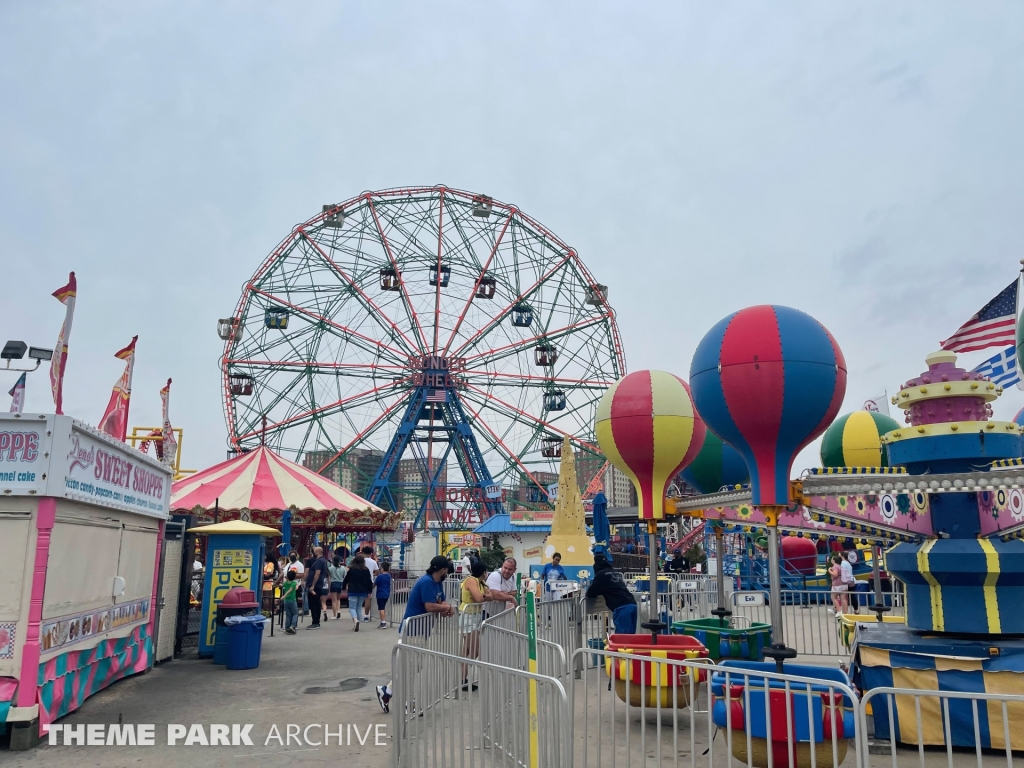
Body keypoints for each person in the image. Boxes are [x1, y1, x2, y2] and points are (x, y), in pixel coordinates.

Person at [376, 556, 456, 714]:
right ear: (442, 570)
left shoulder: (438, 582)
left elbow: (440, 602)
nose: (447, 572)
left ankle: (387, 691)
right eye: (447, 569)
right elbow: (430, 606)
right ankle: (409, 702)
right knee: (411, 668)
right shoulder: (426, 582)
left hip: (423, 631)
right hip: (413, 631)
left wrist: (446, 608)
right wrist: (446, 607)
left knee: (414, 666)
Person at [459, 559, 490, 691]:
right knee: (474, 651)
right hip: (469, 617)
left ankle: (463, 678)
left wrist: (485, 595)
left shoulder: (481, 582)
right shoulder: (471, 580)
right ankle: (462, 680)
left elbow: (490, 595)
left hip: (475, 617)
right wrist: (485, 596)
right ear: (483, 572)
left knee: (467, 650)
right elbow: (479, 598)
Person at [586, 554, 637, 633]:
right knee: (630, 637)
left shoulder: (601, 574)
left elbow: (592, 592)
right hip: (632, 604)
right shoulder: (615, 572)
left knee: (622, 639)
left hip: (621, 607)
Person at [342, 554, 374, 632]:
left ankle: (356, 621)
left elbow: (346, 579)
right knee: (359, 607)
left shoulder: (352, 569)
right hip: (363, 591)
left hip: (353, 590)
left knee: (352, 608)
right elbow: (369, 581)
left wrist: (343, 587)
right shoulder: (366, 570)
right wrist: (369, 591)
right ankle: (358, 622)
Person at [304, 547, 328, 629]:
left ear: (317, 552)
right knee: (316, 604)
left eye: (314, 551)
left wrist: (312, 585)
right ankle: (316, 621)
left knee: (313, 604)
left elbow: (317, 573)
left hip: (315, 585)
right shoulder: (323, 561)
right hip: (319, 585)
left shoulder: (319, 561)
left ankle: (315, 622)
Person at [361, 545, 380, 623]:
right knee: (368, 599)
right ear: (371, 553)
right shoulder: (373, 562)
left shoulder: (360, 561)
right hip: (369, 582)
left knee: (358, 599)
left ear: (363, 552)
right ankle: (366, 616)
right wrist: (372, 575)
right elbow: (377, 572)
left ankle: (357, 615)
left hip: (359, 581)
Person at [328, 555, 348, 620]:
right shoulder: (343, 568)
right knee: (338, 599)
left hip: (333, 583)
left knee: (334, 600)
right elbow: (345, 577)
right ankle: (338, 610)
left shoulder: (330, 568)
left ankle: (334, 615)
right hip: (340, 583)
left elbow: (329, 577)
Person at [374, 561, 392, 628]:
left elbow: (375, 584)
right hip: (387, 593)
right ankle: (383, 620)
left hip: (380, 594)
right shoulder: (389, 576)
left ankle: (383, 622)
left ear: (382, 568)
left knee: (381, 608)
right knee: (383, 607)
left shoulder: (380, 577)